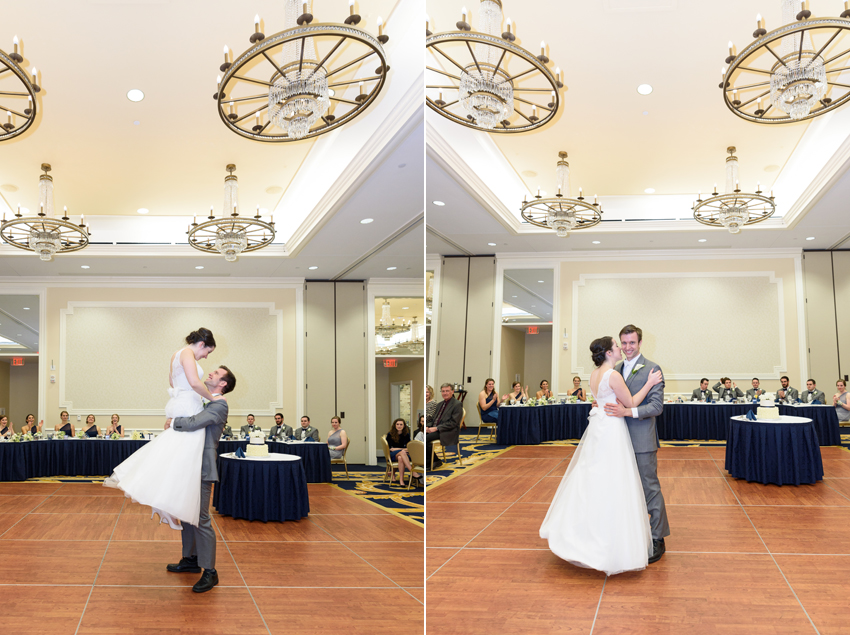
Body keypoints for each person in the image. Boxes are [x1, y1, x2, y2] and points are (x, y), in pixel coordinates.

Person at [540, 334, 663, 575]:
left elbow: (602, 399)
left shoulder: (594, 374)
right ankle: (611, 539)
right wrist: (647, 385)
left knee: (596, 480)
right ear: (609, 352)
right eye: (618, 345)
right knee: (615, 481)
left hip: (601, 429)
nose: (621, 348)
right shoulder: (613, 373)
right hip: (613, 429)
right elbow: (629, 401)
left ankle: (589, 533)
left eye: (627, 343)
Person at [104, 328, 219, 532]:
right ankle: (166, 504)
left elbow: (172, 382)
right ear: (201, 344)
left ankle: (165, 504)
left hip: (179, 403)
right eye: (207, 352)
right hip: (188, 406)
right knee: (184, 461)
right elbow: (194, 382)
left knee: (173, 457)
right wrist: (213, 398)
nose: (206, 356)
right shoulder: (188, 353)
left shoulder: (176, 354)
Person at [164, 364, 236, 594]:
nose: (210, 373)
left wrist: (174, 422)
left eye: (216, 373)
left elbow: (194, 423)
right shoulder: (204, 400)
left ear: (223, 384)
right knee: (187, 514)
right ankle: (191, 559)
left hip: (202, 467)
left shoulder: (219, 405)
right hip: (189, 464)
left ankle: (210, 571)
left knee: (202, 519)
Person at [603, 324, 670, 564]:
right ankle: (632, 532)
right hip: (617, 440)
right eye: (624, 343)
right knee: (624, 488)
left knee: (649, 489)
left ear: (640, 343)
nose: (628, 347)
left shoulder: (653, 368)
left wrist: (627, 412)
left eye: (632, 342)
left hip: (642, 440)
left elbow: (656, 407)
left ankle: (657, 537)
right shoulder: (616, 368)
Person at [425, 383, 462, 468]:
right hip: (436, 429)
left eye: (447, 391)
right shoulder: (440, 404)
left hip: (448, 431)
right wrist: (428, 426)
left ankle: (435, 460)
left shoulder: (457, 404)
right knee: (419, 435)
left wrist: (436, 428)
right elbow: (433, 419)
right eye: (443, 391)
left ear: (452, 392)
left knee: (425, 438)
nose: (445, 393)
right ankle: (427, 460)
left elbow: (453, 423)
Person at [386, 418, 412, 486]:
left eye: (401, 424)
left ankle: (401, 480)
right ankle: (411, 470)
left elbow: (409, 448)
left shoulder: (406, 435)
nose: (399, 426)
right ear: (395, 425)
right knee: (402, 453)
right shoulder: (390, 434)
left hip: (403, 455)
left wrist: (397, 449)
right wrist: (402, 449)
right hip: (392, 455)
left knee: (401, 457)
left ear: (404, 426)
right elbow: (389, 449)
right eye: (397, 424)